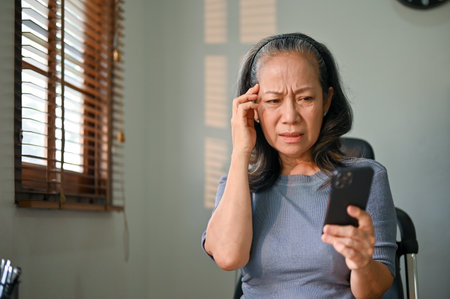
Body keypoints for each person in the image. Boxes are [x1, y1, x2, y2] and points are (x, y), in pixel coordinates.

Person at [201, 32, 397, 299]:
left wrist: (362, 263)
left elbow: (374, 291)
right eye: (273, 101)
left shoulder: (363, 177)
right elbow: (227, 257)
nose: (290, 117)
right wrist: (241, 150)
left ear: (327, 101)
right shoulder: (238, 185)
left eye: (305, 98)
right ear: (254, 109)